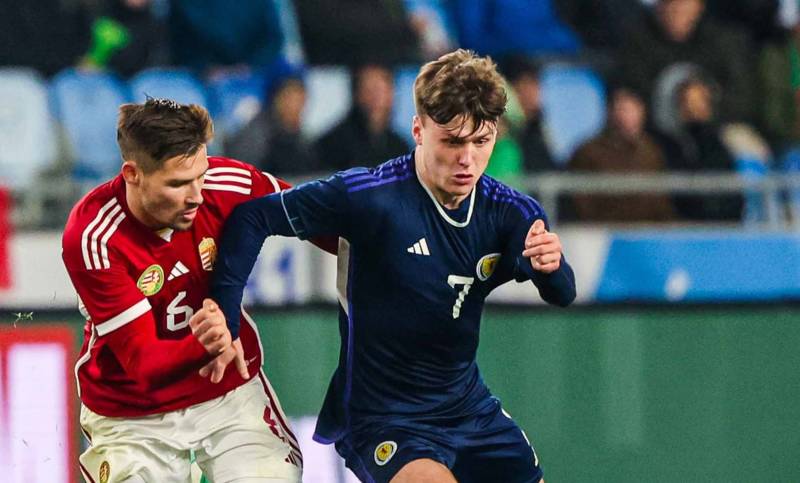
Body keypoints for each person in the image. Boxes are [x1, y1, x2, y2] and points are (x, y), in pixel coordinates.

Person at [210, 49, 575, 483]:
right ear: (419, 130)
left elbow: (562, 293)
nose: (467, 159)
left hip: (468, 410)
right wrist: (225, 317)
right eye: (452, 141)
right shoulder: (369, 196)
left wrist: (551, 267)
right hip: (382, 417)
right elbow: (254, 216)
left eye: (481, 141)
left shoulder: (510, 211)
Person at [61, 98, 304, 482]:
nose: (197, 195)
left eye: (200, 175)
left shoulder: (227, 182)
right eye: (177, 184)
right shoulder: (94, 236)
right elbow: (144, 363)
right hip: (132, 416)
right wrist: (210, 341)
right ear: (133, 174)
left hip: (228, 396)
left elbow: (318, 216)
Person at [568, 83, 675, 222]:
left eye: (633, 109)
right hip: (604, 230)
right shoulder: (588, 153)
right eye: (623, 109)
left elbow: (662, 201)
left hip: (649, 230)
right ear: (610, 113)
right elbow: (582, 202)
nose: (627, 117)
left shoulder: (652, 151)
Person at [315, 63, 411, 171]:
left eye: (381, 90)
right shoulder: (332, 145)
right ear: (356, 94)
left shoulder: (399, 147)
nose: (376, 98)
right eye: (369, 90)